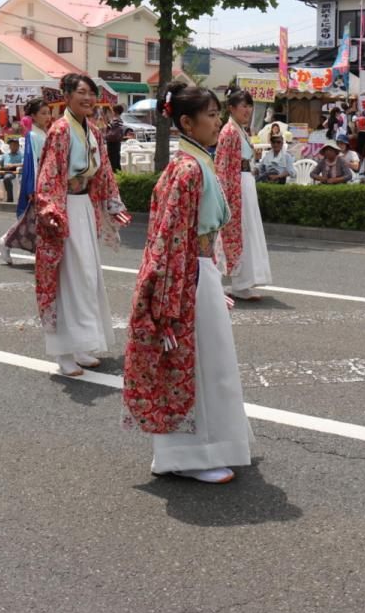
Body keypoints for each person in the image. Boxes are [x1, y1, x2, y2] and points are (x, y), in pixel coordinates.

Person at [123, 83, 253, 484]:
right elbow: (168, 240)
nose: (218, 121)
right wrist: (169, 299)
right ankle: (188, 455)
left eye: (218, 114)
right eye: (211, 115)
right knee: (197, 366)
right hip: (189, 277)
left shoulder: (195, 163)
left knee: (209, 364)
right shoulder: (190, 169)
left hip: (197, 271)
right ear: (186, 122)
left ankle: (200, 449)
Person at [34, 74, 131, 377]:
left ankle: (80, 345)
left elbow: (104, 173)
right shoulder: (61, 130)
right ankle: (63, 351)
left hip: (84, 207)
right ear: (66, 95)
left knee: (86, 276)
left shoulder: (94, 131)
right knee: (68, 277)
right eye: (81, 93)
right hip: (64, 208)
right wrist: (51, 208)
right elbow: (48, 175)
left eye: (91, 93)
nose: (87, 98)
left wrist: (113, 204)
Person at [216, 89, 273, 301]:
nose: (248, 110)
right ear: (232, 108)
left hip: (245, 180)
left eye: (250, 106)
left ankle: (243, 282)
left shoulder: (240, 129)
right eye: (244, 106)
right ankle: (236, 281)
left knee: (249, 232)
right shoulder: (229, 131)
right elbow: (222, 166)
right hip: (236, 184)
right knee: (239, 232)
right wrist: (227, 194)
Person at [0, 98, 51, 264]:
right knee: (31, 218)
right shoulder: (32, 135)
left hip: (49, 179)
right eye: (43, 113)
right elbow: (31, 162)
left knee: (34, 219)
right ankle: (5, 241)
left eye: (48, 113)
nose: (47, 116)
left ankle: (8, 242)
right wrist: (32, 187)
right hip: (39, 181)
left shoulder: (44, 132)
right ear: (33, 116)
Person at [105, 104, 126, 172]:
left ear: (115, 111)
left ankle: (115, 176)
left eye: (113, 110)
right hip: (117, 142)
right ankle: (118, 175)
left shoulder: (115, 120)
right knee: (116, 160)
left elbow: (109, 130)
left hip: (112, 143)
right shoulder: (120, 120)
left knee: (112, 161)